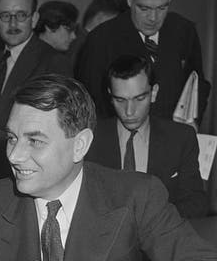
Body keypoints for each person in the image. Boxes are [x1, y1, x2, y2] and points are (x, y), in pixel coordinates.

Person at [0, 74, 217, 261]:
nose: (14, 156)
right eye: (11, 137)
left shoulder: (136, 196)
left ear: (80, 145)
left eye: (35, 140)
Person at [0, 0, 72, 181]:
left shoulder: (53, 62)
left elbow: (59, 128)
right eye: (6, 16)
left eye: (21, 15)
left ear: (34, 19)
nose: (13, 23)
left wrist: (3, 137)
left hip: (30, 174)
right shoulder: (2, 59)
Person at [77, 0, 211, 122]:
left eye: (161, 8)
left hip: (174, 136)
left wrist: (193, 122)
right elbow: (89, 100)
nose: (153, 18)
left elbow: (198, 84)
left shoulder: (184, 30)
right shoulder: (101, 39)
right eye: (144, 8)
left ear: (170, 0)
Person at [86, 55, 207, 218]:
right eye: (120, 100)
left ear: (154, 92)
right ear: (110, 95)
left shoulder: (181, 138)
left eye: (139, 98)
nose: (129, 111)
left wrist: (151, 223)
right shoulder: (89, 139)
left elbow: (196, 202)